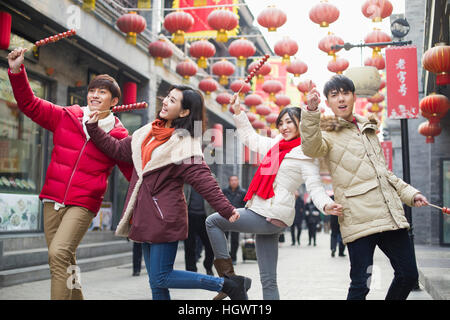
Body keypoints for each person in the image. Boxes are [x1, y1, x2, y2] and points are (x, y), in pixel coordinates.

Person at [86, 85, 251, 300]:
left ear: (183, 112)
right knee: (156, 283)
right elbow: (118, 149)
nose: (164, 101)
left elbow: (203, 178)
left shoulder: (184, 142)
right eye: (167, 97)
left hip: (165, 217)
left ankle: (227, 284)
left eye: (172, 100)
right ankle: (231, 284)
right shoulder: (147, 132)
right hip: (143, 215)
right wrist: (94, 128)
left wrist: (226, 209)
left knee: (161, 277)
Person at [6, 48, 133, 300]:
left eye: (102, 92)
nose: (95, 95)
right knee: (65, 258)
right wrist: (17, 71)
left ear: (114, 102)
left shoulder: (119, 137)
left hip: (83, 203)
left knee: (59, 254)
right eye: (92, 90)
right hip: (52, 199)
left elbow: (134, 176)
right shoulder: (68, 116)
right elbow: (29, 104)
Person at [300, 74, 429, 300]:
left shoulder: (368, 129)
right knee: (361, 283)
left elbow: (384, 173)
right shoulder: (327, 133)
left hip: (388, 215)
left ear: (354, 97)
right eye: (334, 95)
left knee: (408, 275)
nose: (341, 99)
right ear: (328, 102)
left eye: (345, 93)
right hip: (357, 217)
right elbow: (311, 148)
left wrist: (411, 193)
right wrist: (311, 112)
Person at [206, 94, 343, 300]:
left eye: (289, 122)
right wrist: (237, 111)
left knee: (213, 221)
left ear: (301, 124)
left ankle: (229, 280)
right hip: (267, 214)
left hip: (268, 213)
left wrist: (326, 204)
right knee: (269, 279)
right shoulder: (276, 146)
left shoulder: (306, 156)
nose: (284, 127)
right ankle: (235, 283)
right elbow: (250, 138)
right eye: (281, 123)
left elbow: (315, 187)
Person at [183, 183, 215, 276]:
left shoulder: (210, 178)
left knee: (210, 245)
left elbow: (217, 196)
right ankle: (191, 271)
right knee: (189, 246)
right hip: (189, 216)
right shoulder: (186, 180)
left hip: (205, 217)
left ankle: (208, 266)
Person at [222, 175, 247, 264]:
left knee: (235, 239)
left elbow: (245, 206)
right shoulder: (224, 191)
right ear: (229, 181)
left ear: (238, 181)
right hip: (225, 218)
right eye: (232, 180)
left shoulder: (243, 192)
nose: (234, 182)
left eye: (235, 180)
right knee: (224, 238)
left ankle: (233, 258)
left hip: (237, 218)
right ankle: (225, 256)